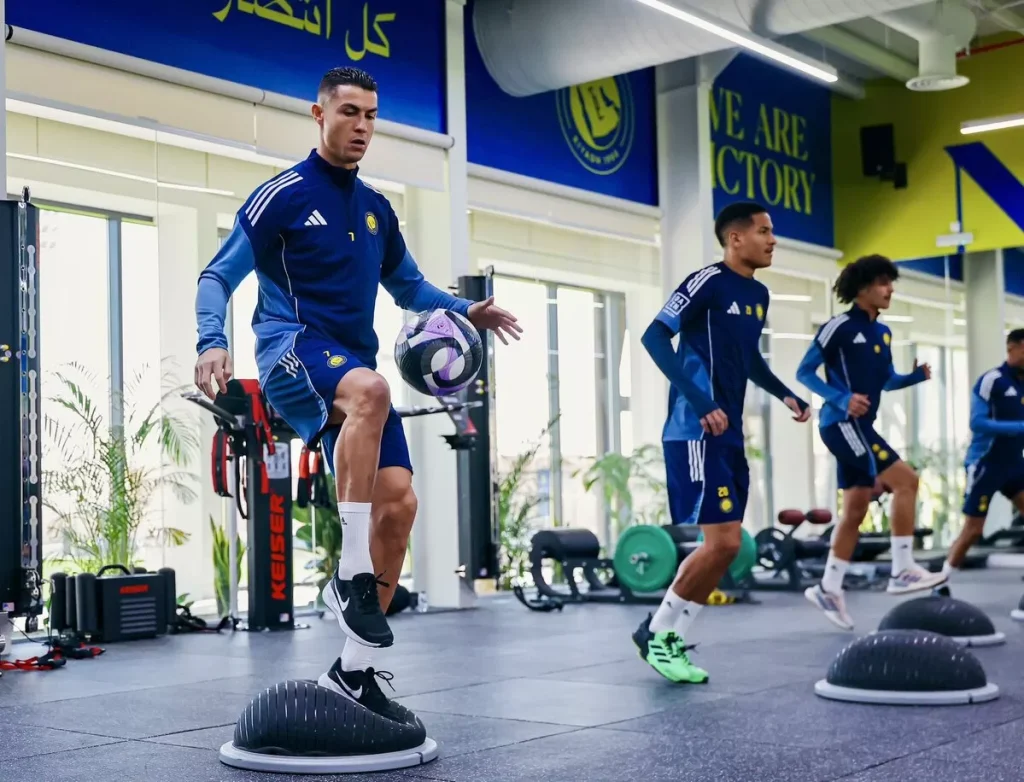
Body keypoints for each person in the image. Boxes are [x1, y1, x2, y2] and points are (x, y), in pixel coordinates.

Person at [193, 67, 521, 718]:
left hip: (353, 372)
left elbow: (410, 288)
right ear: (319, 115)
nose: (362, 126)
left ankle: (354, 672)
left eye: (371, 115)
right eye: (349, 112)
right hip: (292, 352)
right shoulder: (281, 196)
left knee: (399, 504)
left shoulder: (377, 209)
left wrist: (465, 310)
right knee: (372, 389)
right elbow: (217, 275)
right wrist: (211, 341)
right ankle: (349, 574)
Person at [633, 201, 811, 684]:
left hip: (728, 431)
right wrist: (700, 401)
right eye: (764, 231)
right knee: (722, 542)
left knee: (728, 547)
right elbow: (654, 337)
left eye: (772, 232)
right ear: (735, 238)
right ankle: (658, 634)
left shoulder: (758, 294)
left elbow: (747, 357)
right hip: (695, 428)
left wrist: (786, 394)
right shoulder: (706, 282)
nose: (773, 240)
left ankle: (665, 633)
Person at [797, 254, 944, 631]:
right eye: (882, 283)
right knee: (907, 481)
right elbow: (804, 372)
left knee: (856, 510)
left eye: (890, 283)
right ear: (862, 288)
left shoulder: (883, 333)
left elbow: (886, 380)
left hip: (860, 426)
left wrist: (913, 377)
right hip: (842, 423)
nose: (889, 289)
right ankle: (902, 570)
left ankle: (828, 588)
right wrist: (841, 398)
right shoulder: (838, 327)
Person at [943, 330, 1024, 578]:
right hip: (986, 464)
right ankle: (941, 580)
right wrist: (1019, 427)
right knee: (973, 530)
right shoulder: (992, 380)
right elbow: (977, 423)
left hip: (1014, 464)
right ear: (1012, 348)